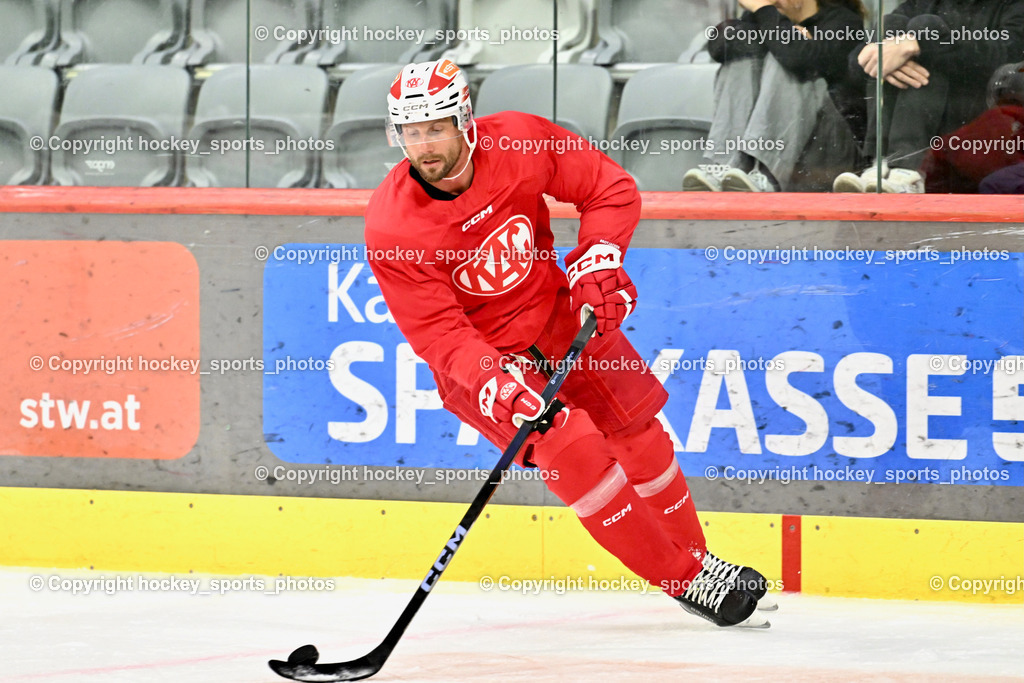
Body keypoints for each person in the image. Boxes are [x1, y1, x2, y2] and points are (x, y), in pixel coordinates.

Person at [364, 59, 775, 628]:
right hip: (489, 359)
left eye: (435, 127)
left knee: (640, 431)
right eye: (411, 132)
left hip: (558, 315)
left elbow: (607, 188)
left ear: (465, 121)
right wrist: (491, 382)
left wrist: (598, 262)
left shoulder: (520, 143)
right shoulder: (392, 227)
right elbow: (437, 331)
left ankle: (701, 565)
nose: (424, 145)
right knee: (574, 447)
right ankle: (684, 579)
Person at [833, 0, 1024, 193]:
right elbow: (855, 67)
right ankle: (880, 164)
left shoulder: (1012, 6)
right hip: (916, 124)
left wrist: (921, 44)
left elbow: (1010, 52)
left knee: (926, 27)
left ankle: (908, 171)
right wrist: (881, 58)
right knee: (892, 24)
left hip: (969, 125)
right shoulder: (923, 3)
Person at [684, 0, 868, 192]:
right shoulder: (766, 18)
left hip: (831, 149)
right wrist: (785, 38)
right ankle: (725, 166)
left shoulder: (844, 23)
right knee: (740, 63)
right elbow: (720, 47)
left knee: (785, 65)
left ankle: (767, 173)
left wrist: (770, 20)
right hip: (791, 152)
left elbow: (799, 59)